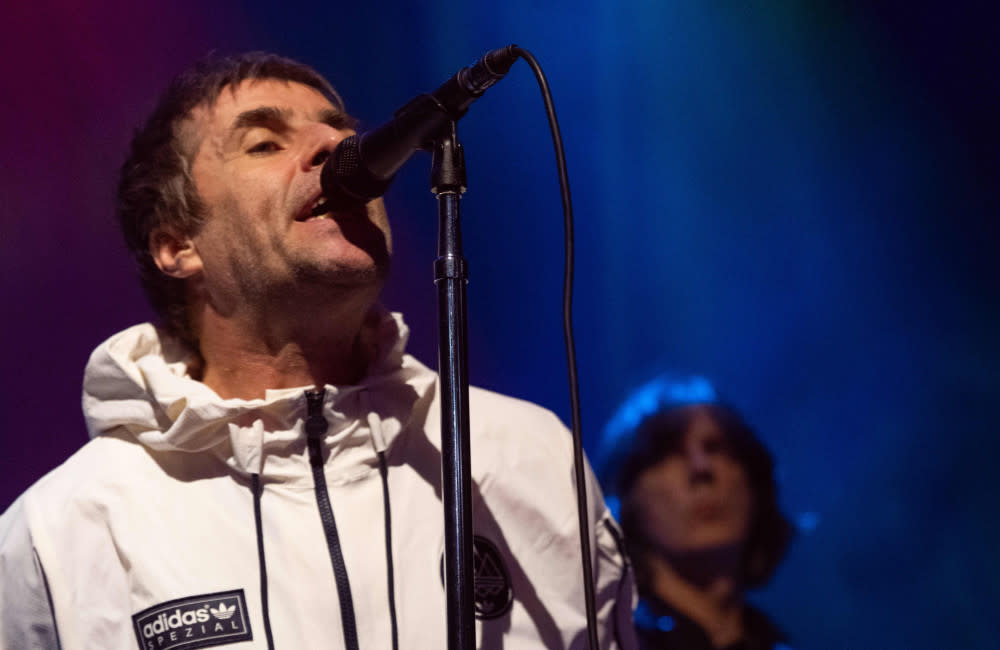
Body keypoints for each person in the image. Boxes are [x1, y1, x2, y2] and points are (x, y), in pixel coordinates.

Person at [0, 52, 635, 649]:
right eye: (265, 143)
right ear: (178, 246)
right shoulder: (63, 531)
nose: (334, 147)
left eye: (337, 129)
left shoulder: (529, 458)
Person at [594, 375, 794, 650]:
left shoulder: (775, 642)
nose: (701, 468)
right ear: (626, 497)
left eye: (716, 448)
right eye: (668, 454)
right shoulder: (602, 640)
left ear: (755, 484)